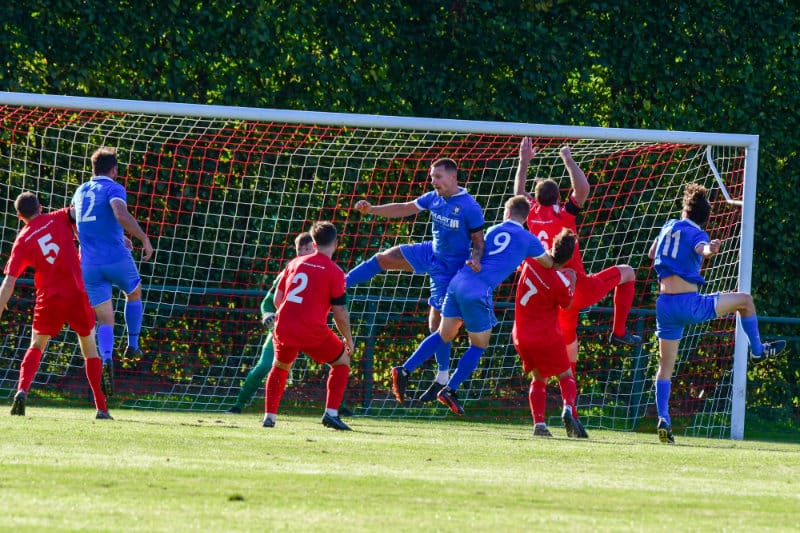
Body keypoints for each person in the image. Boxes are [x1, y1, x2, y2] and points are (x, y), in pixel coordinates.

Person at [515, 138, 642, 422]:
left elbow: (519, 193)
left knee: (561, 357)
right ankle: (619, 331)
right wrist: (568, 159)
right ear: (559, 197)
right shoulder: (564, 214)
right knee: (627, 272)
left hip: (546, 295)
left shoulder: (531, 213)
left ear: (536, 198)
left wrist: (524, 161)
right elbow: (582, 189)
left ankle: (554, 415)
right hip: (574, 288)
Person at [648, 183, 786, 444]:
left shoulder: (668, 226)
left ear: (685, 209)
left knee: (665, 367)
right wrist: (710, 249)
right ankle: (757, 351)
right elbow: (703, 248)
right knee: (745, 301)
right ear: (704, 217)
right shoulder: (696, 233)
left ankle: (664, 418)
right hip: (689, 305)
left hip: (664, 306)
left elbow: (652, 253)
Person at [392, 195, 554, 415]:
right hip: (478, 290)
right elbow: (548, 263)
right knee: (479, 345)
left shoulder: (493, 230)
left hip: (458, 281)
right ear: (525, 218)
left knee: (443, 335)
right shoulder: (529, 239)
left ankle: (405, 369)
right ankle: (450, 389)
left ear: (506, 213)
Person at [348, 158, 485, 404]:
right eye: (432, 177)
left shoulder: (470, 207)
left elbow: (478, 242)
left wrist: (475, 259)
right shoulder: (433, 198)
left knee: (438, 326)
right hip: (431, 252)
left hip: (452, 270)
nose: (433, 181)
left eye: (438, 177)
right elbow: (404, 207)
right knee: (385, 257)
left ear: (453, 177)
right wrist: (372, 209)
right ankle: (341, 283)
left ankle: (441, 378)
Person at [1, 192, 112, 419]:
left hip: (49, 298)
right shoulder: (59, 217)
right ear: (40, 207)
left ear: (19, 216)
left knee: (36, 345)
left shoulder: (22, 240)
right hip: (77, 294)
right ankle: (101, 408)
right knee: (90, 349)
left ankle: (22, 390)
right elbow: (79, 213)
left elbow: (9, 282)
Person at [72, 147, 154, 398]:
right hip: (116, 258)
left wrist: (90, 241)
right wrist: (143, 238)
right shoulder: (114, 188)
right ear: (114, 170)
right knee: (134, 292)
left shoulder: (80, 190)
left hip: (89, 264)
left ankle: (107, 358)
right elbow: (120, 213)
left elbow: (74, 219)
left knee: (105, 320)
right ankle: (133, 344)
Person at [263, 221, 355, 430]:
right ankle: (331, 414)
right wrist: (348, 340)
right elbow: (340, 313)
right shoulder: (335, 272)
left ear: (313, 244)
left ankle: (269, 417)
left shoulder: (294, 263)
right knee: (342, 361)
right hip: (312, 330)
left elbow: (277, 300)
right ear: (336, 244)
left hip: (284, 327)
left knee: (280, 366)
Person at [226, 232, 314, 414]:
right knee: (264, 366)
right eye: (300, 249)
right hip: (283, 328)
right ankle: (238, 405)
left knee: (336, 361)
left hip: (310, 328)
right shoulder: (288, 271)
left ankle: (338, 409)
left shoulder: (324, 270)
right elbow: (267, 301)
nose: (303, 252)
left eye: (307, 248)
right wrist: (267, 315)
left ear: (315, 248)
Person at [512, 227, 588, 439]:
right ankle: (568, 408)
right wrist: (571, 279)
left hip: (521, 336)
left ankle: (539, 424)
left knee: (539, 377)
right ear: (569, 258)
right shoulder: (560, 281)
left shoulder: (531, 260)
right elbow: (567, 304)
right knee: (566, 375)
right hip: (545, 336)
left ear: (553, 245)